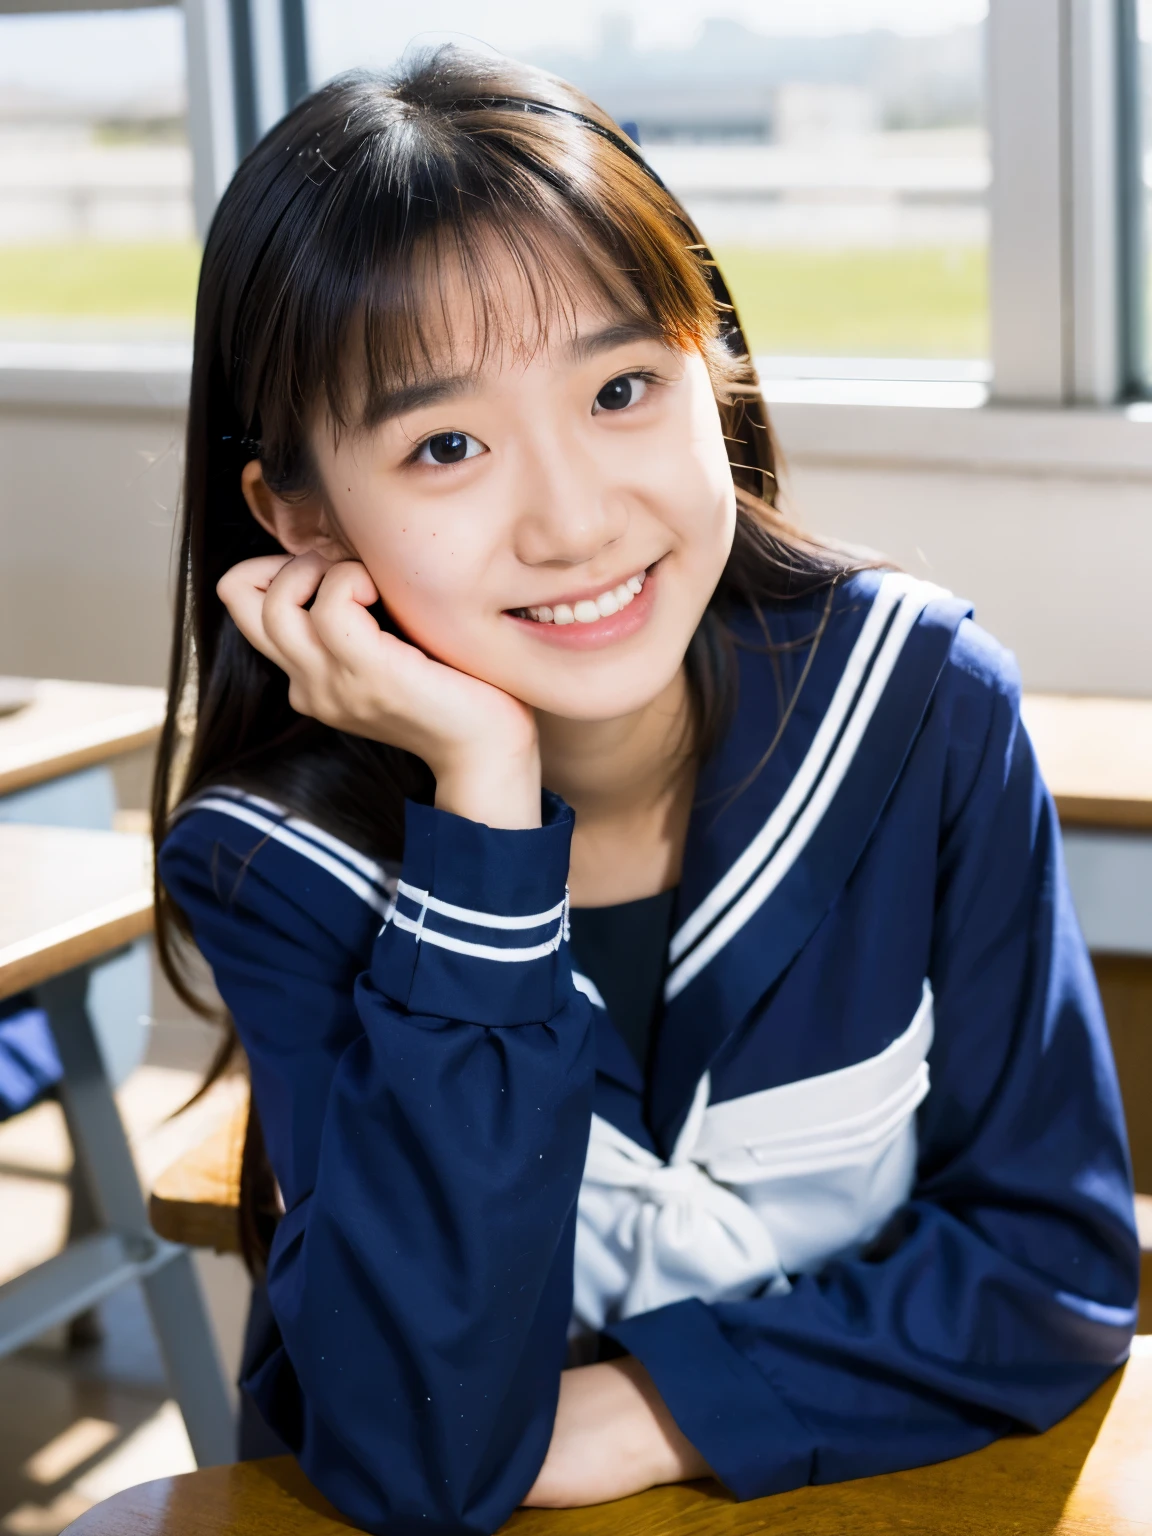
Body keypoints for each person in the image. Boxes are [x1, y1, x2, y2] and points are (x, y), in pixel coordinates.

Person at [153, 48, 1139, 1536]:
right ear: (299, 517)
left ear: (713, 369)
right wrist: (483, 809)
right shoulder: (273, 866)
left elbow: (1053, 1271)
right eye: (446, 445)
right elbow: (415, 1459)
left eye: (622, 388)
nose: (572, 519)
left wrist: (647, 1410)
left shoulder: (926, 710)